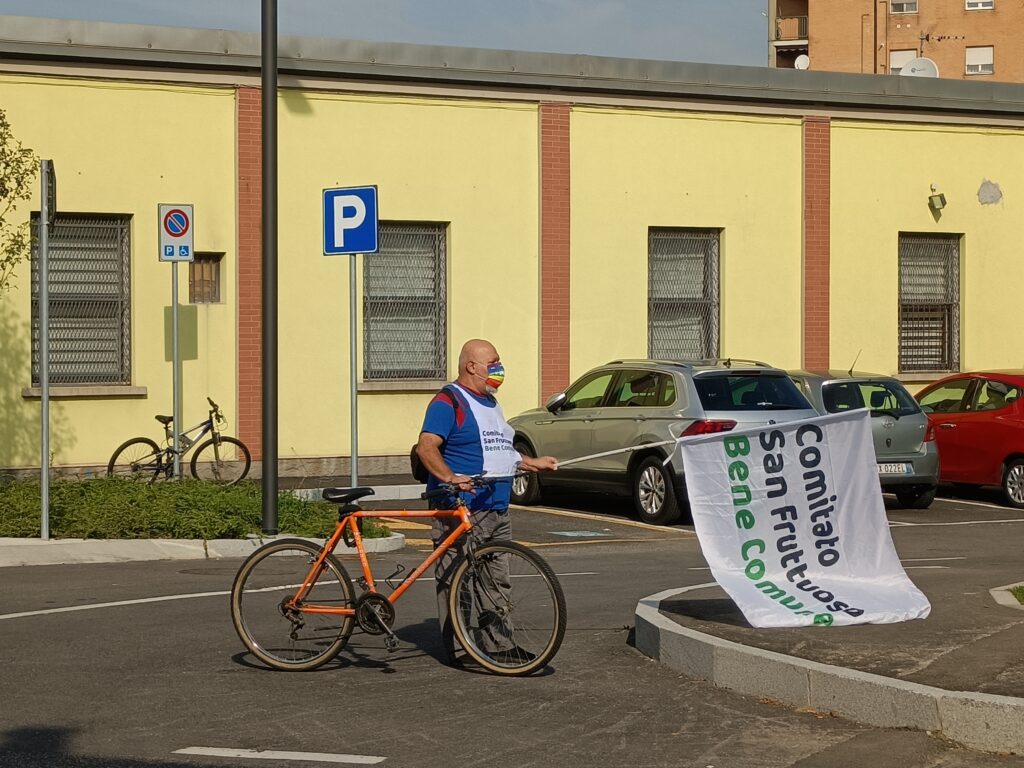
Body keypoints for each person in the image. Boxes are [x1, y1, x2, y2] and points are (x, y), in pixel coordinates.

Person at [415, 338, 558, 665]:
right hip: (460, 506)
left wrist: (530, 462)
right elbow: (426, 447)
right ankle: (460, 646)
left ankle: (497, 645)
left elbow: (499, 450)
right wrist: (450, 477)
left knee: (497, 578)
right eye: (493, 362)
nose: (499, 368)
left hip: (495, 505)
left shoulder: (492, 404)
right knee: (456, 578)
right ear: (471, 367)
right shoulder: (447, 402)